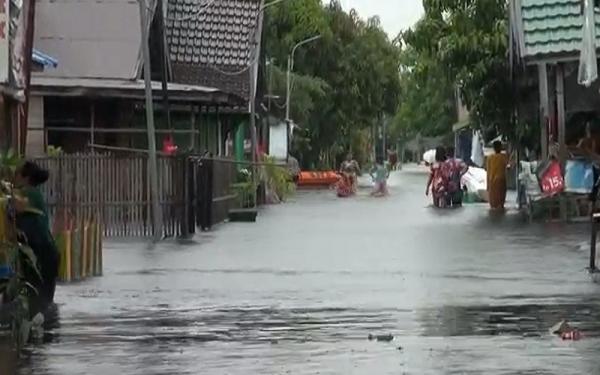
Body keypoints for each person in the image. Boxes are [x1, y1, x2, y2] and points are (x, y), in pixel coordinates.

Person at [14, 161, 59, 311]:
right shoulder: (33, 193)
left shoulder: (29, 193)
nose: (15, 177)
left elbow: (17, 205)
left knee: (42, 305)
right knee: (43, 304)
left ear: (25, 178)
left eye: (17, 174)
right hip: (45, 253)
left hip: (44, 254)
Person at [486, 140, 510, 210]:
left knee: (493, 201)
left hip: (492, 180)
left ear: (494, 148)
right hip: (501, 179)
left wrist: (487, 184)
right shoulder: (503, 157)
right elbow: (507, 166)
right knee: (500, 200)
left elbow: (488, 171)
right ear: (500, 147)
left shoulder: (490, 158)